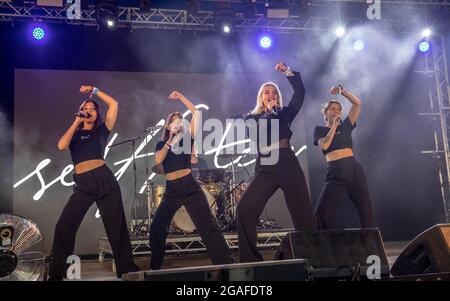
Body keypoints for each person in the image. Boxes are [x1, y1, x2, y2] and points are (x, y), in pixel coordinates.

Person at [48, 86, 138, 280]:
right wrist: (76, 121)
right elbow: (61, 145)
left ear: (97, 113)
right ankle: (56, 273)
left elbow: (114, 104)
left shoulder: (102, 130)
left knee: (117, 227)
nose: (88, 110)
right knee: (64, 225)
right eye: (85, 107)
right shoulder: (75, 134)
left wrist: (95, 91)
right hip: (83, 184)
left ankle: (127, 270)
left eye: (92, 108)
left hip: (104, 180)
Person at [236, 62, 316, 263]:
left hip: (287, 163)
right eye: (266, 92)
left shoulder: (285, 113)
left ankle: (311, 259)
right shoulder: (251, 118)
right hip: (266, 167)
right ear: (261, 98)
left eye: (273, 92)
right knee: (244, 209)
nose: (270, 94)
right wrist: (268, 112)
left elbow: (300, 92)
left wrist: (287, 72)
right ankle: (250, 261)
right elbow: (255, 136)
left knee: (303, 214)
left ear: (277, 97)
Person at [149, 91, 234, 270]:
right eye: (174, 121)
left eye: (180, 121)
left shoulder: (187, 139)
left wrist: (180, 97)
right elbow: (158, 160)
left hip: (190, 187)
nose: (178, 123)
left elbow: (196, 113)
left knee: (208, 227)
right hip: (171, 190)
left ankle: (227, 265)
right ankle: (155, 268)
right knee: (157, 227)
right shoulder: (161, 144)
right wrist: (169, 141)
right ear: (168, 126)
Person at [313, 85, 374, 229]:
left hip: (353, 167)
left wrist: (343, 92)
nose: (336, 111)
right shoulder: (319, 129)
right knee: (323, 211)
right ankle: (325, 244)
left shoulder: (346, 125)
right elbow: (325, 146)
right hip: (336, 169)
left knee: (364, 206)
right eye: (332, 109)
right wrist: (334, 126)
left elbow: (357, 103)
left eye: (339, 109)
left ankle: (370, 241)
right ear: (325, 112)